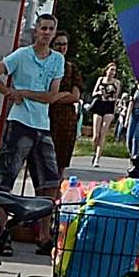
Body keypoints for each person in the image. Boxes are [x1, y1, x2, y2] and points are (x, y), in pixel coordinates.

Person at [0, 14, 69, 245]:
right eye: (43, 29)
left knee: (49, 182)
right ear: (36, 31)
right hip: (20, 121)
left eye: (51, 29)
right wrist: (8, 92)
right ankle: (4, 234)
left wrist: (24, 93)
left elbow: (51, 96)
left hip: (42, 124)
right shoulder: (22, 55)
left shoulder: (57, 60)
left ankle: (43, 234)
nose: (47, 33)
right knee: (6, 178)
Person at [49, 37, 82, 174]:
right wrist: (61, 95)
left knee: (61, 158)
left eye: (64, 44)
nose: (62, 47)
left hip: (66, 118)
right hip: (47, 115)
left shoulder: (71, 68)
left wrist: (54, 97)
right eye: (58, 44)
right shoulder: (46, 65)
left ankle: (57, 188)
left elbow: (75, 96)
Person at [86, 65, 121, 162]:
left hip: (109, 107)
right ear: (106, 70)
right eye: (111, 70)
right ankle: (94, 150)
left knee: (103, 133)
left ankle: (97, 157)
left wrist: (114, 111)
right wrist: (99, 93)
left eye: (114, 70)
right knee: (96, 134)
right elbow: (93, 93)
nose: (112, 72)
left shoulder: (117, 82)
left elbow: (116, 98)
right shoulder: (101, 79)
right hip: (99, 105)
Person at [124, 81, 139, 177]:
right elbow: (130, 105)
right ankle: (134, 157)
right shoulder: (134, 89)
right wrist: (126, 119)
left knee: (135, 138)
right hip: (133, 114)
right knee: (129, 139)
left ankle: (134, 163)